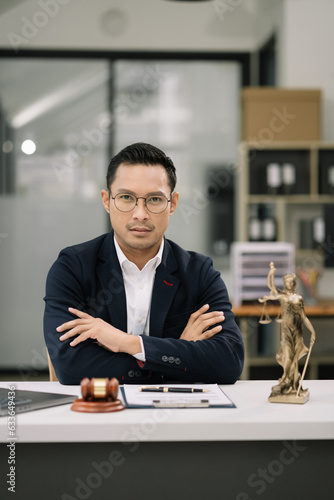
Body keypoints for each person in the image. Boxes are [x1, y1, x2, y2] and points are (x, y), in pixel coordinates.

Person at [44, 143, 244, 385]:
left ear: (173, 203)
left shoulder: (200, 272)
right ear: (107, 201)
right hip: (100, 412)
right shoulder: (73, 268)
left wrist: (126, 342)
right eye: (127, 197)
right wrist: (177, 353)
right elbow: (69, 366)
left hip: (181, 414)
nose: (140, 213)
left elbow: (229, 362)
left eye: (155, 199)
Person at [260, 271, 316, 395]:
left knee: (295, 359)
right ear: (284, 283)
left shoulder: (298, 298)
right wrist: (271, 273)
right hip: (286, 332)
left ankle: (293, 384)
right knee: (288, 357)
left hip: (297, 332)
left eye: (291, 282)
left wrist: (312, 331)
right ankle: (285, 380)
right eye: (287, 282)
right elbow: (272, 286)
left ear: (294, 283)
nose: (289, 284)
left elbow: (304, 317)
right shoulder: (282, 296)